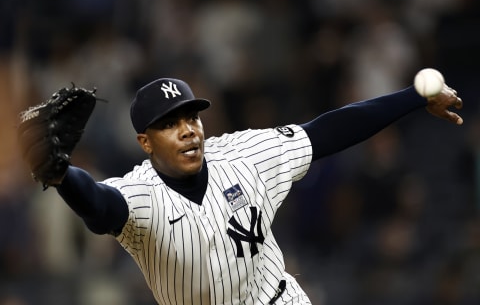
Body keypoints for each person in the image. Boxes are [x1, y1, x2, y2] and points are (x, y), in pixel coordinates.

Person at [47, 76, 462, 304]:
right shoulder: (141, 195)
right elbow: (98, 205)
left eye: (192, 116)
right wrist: (62, 173)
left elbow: (328, 131)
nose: (189, 130)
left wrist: (411, 98)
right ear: (145, 141)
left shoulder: (245, 155)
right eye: (170, 123)